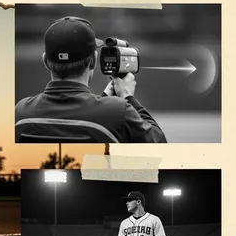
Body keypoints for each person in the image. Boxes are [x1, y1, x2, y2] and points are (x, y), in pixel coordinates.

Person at [14, 16, 168, 143]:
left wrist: (104, 98)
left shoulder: (21, 112)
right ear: (94, 60)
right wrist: (129, 98)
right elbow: (159, 143)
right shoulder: (119, 112)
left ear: (45, 61)